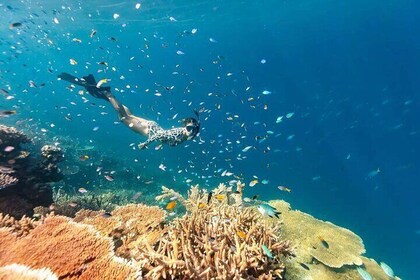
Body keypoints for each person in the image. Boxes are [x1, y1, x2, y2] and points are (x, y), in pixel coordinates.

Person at [58, 73, 200, 149]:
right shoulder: (179, 132)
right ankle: (107, 94)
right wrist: (145, 144)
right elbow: (161, 135)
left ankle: (101, 93)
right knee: (123, 117)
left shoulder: (185, 135)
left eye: (193, 130)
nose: (190, 131)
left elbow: (168, 139)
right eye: (189, 128)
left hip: (151, 127)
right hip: (149, 130)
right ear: (184, 127)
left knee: (128, 114)